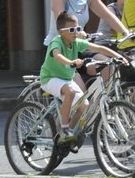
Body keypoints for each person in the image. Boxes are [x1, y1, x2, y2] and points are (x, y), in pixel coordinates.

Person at [40, 12, 129, 145]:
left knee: (85, 105)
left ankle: (69, 131)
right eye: (71, 29)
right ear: (61, 32)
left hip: (66, 79)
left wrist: (118, 57)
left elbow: (99, 48)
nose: (75, 32)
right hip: (50, 78)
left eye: (78, 29)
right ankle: (64, 130)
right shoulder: (56, 41)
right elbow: (57, 56)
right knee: (70, 92)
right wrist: (70, 62)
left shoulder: (76, 42)